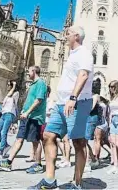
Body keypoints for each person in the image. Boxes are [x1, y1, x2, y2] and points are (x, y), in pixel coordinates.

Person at [29, 25, 93, 190]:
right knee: (48, 136)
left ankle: (77, 184)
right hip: (60, 103)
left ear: (77, 36)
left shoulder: (84, 53)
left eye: (68, 33)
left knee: (78, 142)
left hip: (77, 103)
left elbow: (83, 74)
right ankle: (50, 180)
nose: (64, 35)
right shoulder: (71, 54)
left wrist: (73, 97)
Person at [0, 66, 47, 173]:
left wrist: (28, 112)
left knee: (35, 141)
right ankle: (8, 163)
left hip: (34, 117)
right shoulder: (32, 85)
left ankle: (38, 164)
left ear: (34, 71)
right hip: (25, 116)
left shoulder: (40, 83)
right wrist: (24, 111)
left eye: (29, 71)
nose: (27, 73)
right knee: (19, 139)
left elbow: (38, 100)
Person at [0, 80, 20, 159]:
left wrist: (14, 86)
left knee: (4, 132)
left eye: (9, 85)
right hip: (3, 114)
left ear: (12, 86)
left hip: (9, 114)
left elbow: (10, 95)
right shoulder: (8, 95)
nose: (7, 86)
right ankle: (6, 146)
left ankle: (1, 152)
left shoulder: (15, 93)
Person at [84, 80, 102, 173]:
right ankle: (93, 160)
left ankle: (88, 163)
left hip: (91, 118)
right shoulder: (89, 95)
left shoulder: (95, 96)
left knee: (86, 140)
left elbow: (91, 107)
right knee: (84, 140)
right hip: (87, 117)